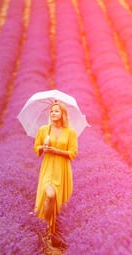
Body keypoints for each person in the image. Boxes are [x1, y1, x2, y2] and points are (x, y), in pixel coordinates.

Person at [34, 101, 78, 245]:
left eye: (56, 111)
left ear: (63, 114)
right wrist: (43, 147)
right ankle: (45, 228)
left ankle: (54, 234)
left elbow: (73, 153)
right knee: (50, 195)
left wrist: (56, 151)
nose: (53, 113)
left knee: (59, 203)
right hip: (47, 168)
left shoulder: (70, 132)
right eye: (52, 111)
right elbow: (36, 148)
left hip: (62, 169)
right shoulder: (43, 130)